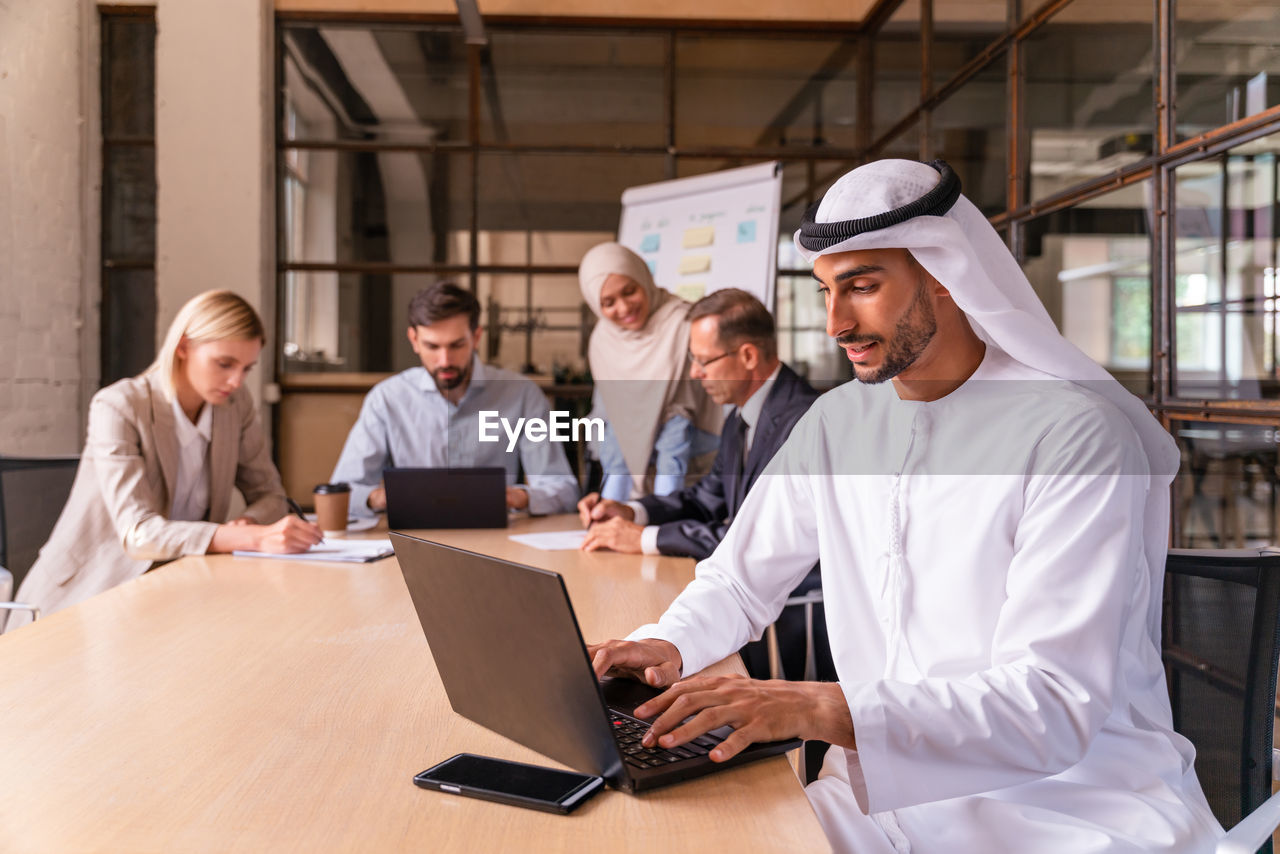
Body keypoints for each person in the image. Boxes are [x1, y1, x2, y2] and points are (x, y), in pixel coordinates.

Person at [587, 159, 1221, 852]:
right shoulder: (836, 424)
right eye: (827, 290)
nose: (836, 321)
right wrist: (668, 642)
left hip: (1066, 812)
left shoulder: (1074, 437)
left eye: (861, 286)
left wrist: (811, 705)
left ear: (947, 274)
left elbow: (1049, 707)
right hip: (875, 801)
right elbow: (740, 579)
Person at [9, 290, 321, 631]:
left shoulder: (235, 405)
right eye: (224, 364)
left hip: (171, 589)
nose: (236, 381)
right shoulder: (119, 406)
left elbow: (270, 494)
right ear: (184, 347)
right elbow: (139, 533)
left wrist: (245, 524)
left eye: (246, 368)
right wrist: (253, 539)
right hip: (84, 599)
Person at [577, 288, 831, 682]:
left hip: (801, 619)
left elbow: (746, 535)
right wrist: (634, 510)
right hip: (749, 612)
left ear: (747, 356)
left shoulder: (802, 420)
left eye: (704, 360)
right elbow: (707, 498)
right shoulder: (741, 415)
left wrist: (645, 538)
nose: (695, 373)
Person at [330, 282, 578, 517]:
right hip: (412, 543)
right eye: (432, 346)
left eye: (457, 345)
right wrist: (379, 498)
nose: (445, 360)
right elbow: (341, 492)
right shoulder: (386, 399)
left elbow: (564, 491)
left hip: (498, 544)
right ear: (414, 340)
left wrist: (518, 498)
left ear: (476, 338)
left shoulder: (521, 394)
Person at [578, 242, 722, 502]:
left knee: (674, 424)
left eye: (629, 291)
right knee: (616, 431)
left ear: (643, 278)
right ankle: (612, 508)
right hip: (627, 455)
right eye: (608, 303)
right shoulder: (602, 340)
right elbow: (607, 407)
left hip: (691, 463)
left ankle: (664, 507)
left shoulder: (683, 320)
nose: (623, 308)